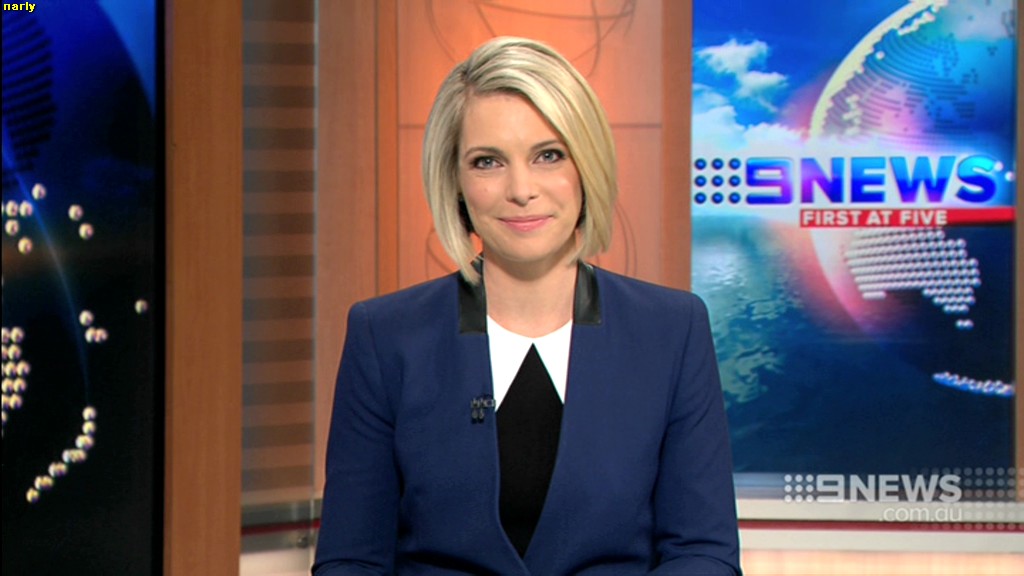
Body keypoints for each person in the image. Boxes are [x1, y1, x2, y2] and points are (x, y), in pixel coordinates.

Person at [313, 36, 741, 575]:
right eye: (488, 161)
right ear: (456, 182)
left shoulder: (671, 331)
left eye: (548, 155)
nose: (521, 189)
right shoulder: (386, 336)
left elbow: (703, 552)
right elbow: (350, 561)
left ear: (586, 164)